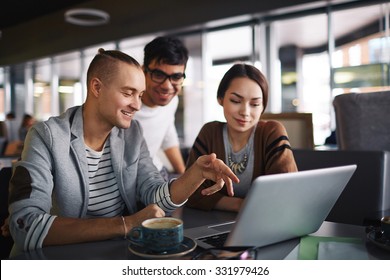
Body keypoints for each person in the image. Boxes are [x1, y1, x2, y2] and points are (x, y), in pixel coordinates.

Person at [6, 48, 238, 253]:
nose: (137, 105)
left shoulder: (132, 133)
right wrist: (126, 224)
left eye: (139, 95)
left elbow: (154, 195)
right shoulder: (46, 136)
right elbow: (25, 226)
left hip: (116, 252)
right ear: (96, 87)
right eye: (128, 93)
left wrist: (194, 175)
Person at [186, 63, 298, 212]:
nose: (245, 112)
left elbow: (287, 192)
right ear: (220, 99)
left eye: (255, 104)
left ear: (263, 106)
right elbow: (191, 193)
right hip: (216, 223)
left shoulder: (272, 132)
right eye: (236, 101)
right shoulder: (210, 132)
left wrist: (225, 203)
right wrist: (239, 205)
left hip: (266, 222)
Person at [134, 36, 188, 179]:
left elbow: (168, 136)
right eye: (158, 75)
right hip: (130, 181)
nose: (167, 86)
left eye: (176, 77)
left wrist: (184, 175)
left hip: (156, 172)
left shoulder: (172, 101)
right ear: (143, 71)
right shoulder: (126, 107)